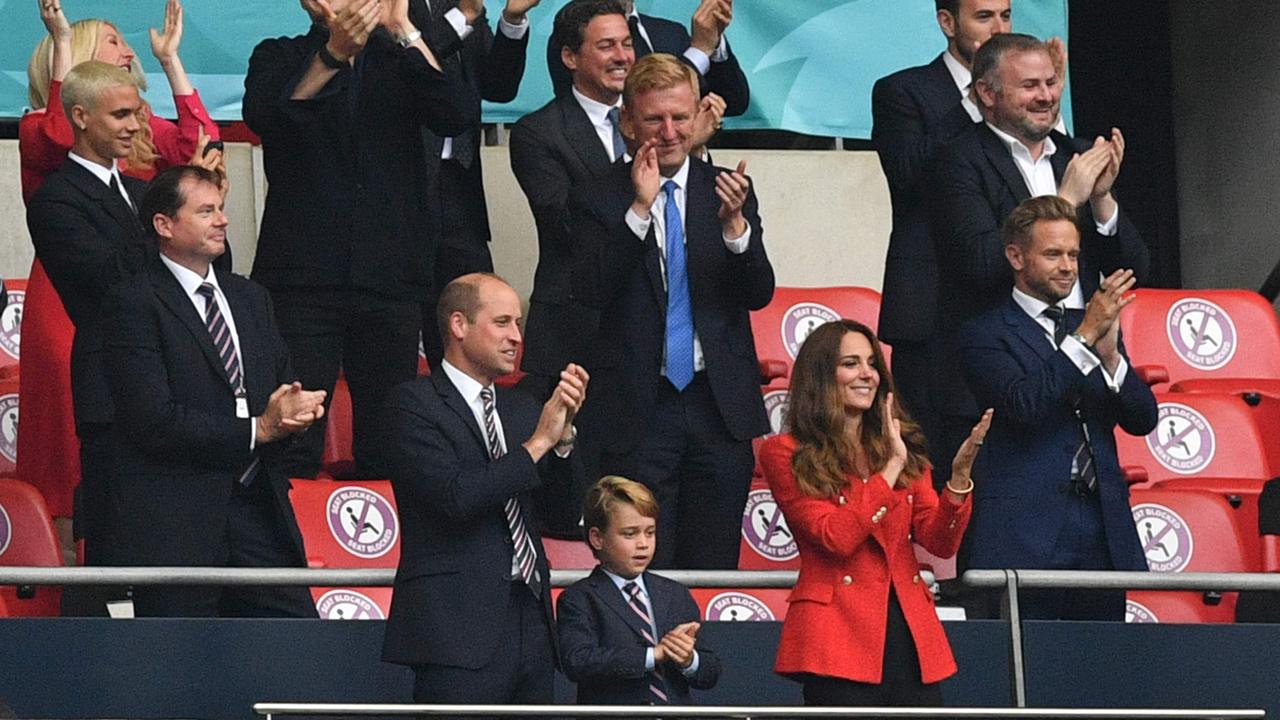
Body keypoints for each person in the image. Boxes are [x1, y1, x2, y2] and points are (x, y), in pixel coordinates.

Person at [243, 0, 478, 479]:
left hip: (389, 280)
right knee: (295, 434)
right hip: (302, 283)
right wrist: (332, 54)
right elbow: (269, 116)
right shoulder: (279, 55)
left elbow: (456, 112)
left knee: (388, 437)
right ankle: (286, 547)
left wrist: (404, 29)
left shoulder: (403, 60)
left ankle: (383, 550)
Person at [18, 0, 221, 536]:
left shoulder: (130, 158)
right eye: (113, 41)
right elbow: (64, 133)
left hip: (145, 318)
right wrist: (61, 41)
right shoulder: (43, 131)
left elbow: (200, 148)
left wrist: (174, 64)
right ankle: (64, 573)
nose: (129, 50)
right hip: (71, 305)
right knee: (72, 452)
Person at [571, 53, 773, 570]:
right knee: (643, 565)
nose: (668, 131)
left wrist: (735, 230)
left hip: (717, 406)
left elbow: (758, 292)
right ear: (628, 122)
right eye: (654, 119)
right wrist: (639, 210)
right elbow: (590, 290)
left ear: (699, 117)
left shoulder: (728, 188)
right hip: (639, 409)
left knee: (714, 564)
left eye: (680, 118)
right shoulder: (598, 193)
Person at [101, 166, 326, 617]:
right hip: (178, 524)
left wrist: (295, 414)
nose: (222, 220)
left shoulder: (251, 298)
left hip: (261, 510)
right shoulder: (133, 302)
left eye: (221, 209)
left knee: (295, 646)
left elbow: (278, 385)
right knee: (181, 667)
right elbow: (152, 419)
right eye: (206, 211)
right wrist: (257, 429)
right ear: (164, 225)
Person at [930, 32, 1149, 489]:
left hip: (1083, 358)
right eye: (1030, 85)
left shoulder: (1077, 154)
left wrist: (1103, 200)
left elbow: (1136, 270)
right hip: (1002, 374)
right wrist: (1067, 200)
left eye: (1051, 83)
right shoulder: (958, 159)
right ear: (988, 94)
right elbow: (978, 262)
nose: (1046, 96)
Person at [757, 319, 991, 707]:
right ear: (821, 376)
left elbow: (939, 542)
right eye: (851, 363)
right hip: (837, 637)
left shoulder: (901, 447)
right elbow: (835, 537)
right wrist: (890, 470)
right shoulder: (786, 451)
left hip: (910, 631)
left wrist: (958, 482)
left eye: (871, 364)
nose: (867, 374)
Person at [381, 273, 588, 706]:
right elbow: (455, 497)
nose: (516, 337)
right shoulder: (412, 404)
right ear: (458, 325)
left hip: (531, 622)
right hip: (456, 628)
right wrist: (537, 445)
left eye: (518, 324)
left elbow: (565, 517)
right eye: (502, 322)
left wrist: (564, 439)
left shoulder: (523, 409)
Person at [960, 196, 1157, 620]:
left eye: (1073, 254)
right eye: (1053, 254)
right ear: (1015, 255)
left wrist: (1111, 359)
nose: (1068, 266)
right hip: (1025, 531)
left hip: (1101, 527)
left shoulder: (1089, 325)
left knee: (1102, 667)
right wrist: (1085, 338)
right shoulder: (985, 332)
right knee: (1028, 672)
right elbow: (1024, 405)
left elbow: (1143, 419)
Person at [25, 60, 153, 566]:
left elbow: (212, 264)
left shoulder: (145, 195)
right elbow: (106, 281)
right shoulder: (56, 200)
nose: (135, 126)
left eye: (138, 114)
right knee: (118, 544)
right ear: (79, 116)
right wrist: (169, 231)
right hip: (112, 385)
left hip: (168, 382)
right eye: (121, 114)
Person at [870, 0, 1009, 466]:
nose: (998, 28)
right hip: (931, 314)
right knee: (934, 466)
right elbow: (907, 173)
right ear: (947, 22)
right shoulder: (903, 91)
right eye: (984, 17)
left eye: (1006, 16)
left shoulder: (1019, 98)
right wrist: (972, 102)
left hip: (1004, 303)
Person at [417, 0, 539, 370]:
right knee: (406, 326)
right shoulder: (390, 7)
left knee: (469, 313)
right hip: (402, 184)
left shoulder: (460, 6)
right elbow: (404, 60)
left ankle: (470, 419)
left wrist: (512, 18)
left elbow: (499, 87)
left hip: (460, 184)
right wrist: (463, 17)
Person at [557, 475, 721, 705]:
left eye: (650, 532)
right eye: (629, 534)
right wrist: (652, 655)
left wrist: (688, 659)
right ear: (597, 538)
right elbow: (578, 661)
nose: (643, 543)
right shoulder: (579, 598)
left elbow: (710, 672)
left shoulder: (674, 594)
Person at [546, 0, 748, 117]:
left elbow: (733, 102)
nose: (620, 53)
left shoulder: (670, 33)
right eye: (607, 45)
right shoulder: (571, 28)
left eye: (626, 43)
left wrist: (713, 41)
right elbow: (632, 106)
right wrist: (699, 52)